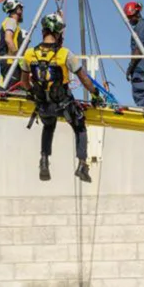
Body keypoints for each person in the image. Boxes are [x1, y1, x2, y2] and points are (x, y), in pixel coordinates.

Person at [18, 13, 105, 184]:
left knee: (48, 126)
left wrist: (33, 93)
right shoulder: (65, 54)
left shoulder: (29, 54)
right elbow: (84, 79)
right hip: (63, 105)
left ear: (43, 31)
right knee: (80, 127)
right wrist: (95, 94)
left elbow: (24, 82)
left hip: (43, 106)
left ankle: (44, 161)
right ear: (58, 33)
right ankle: (82, 165)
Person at [0, 0, 26, 85]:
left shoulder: (10, 22)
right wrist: (18, 58)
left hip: (9, 61)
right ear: (17, 9)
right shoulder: (11, 21)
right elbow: (8, 39)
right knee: (13, 88)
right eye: (21, 8)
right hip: (10, 61)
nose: (22, 11)